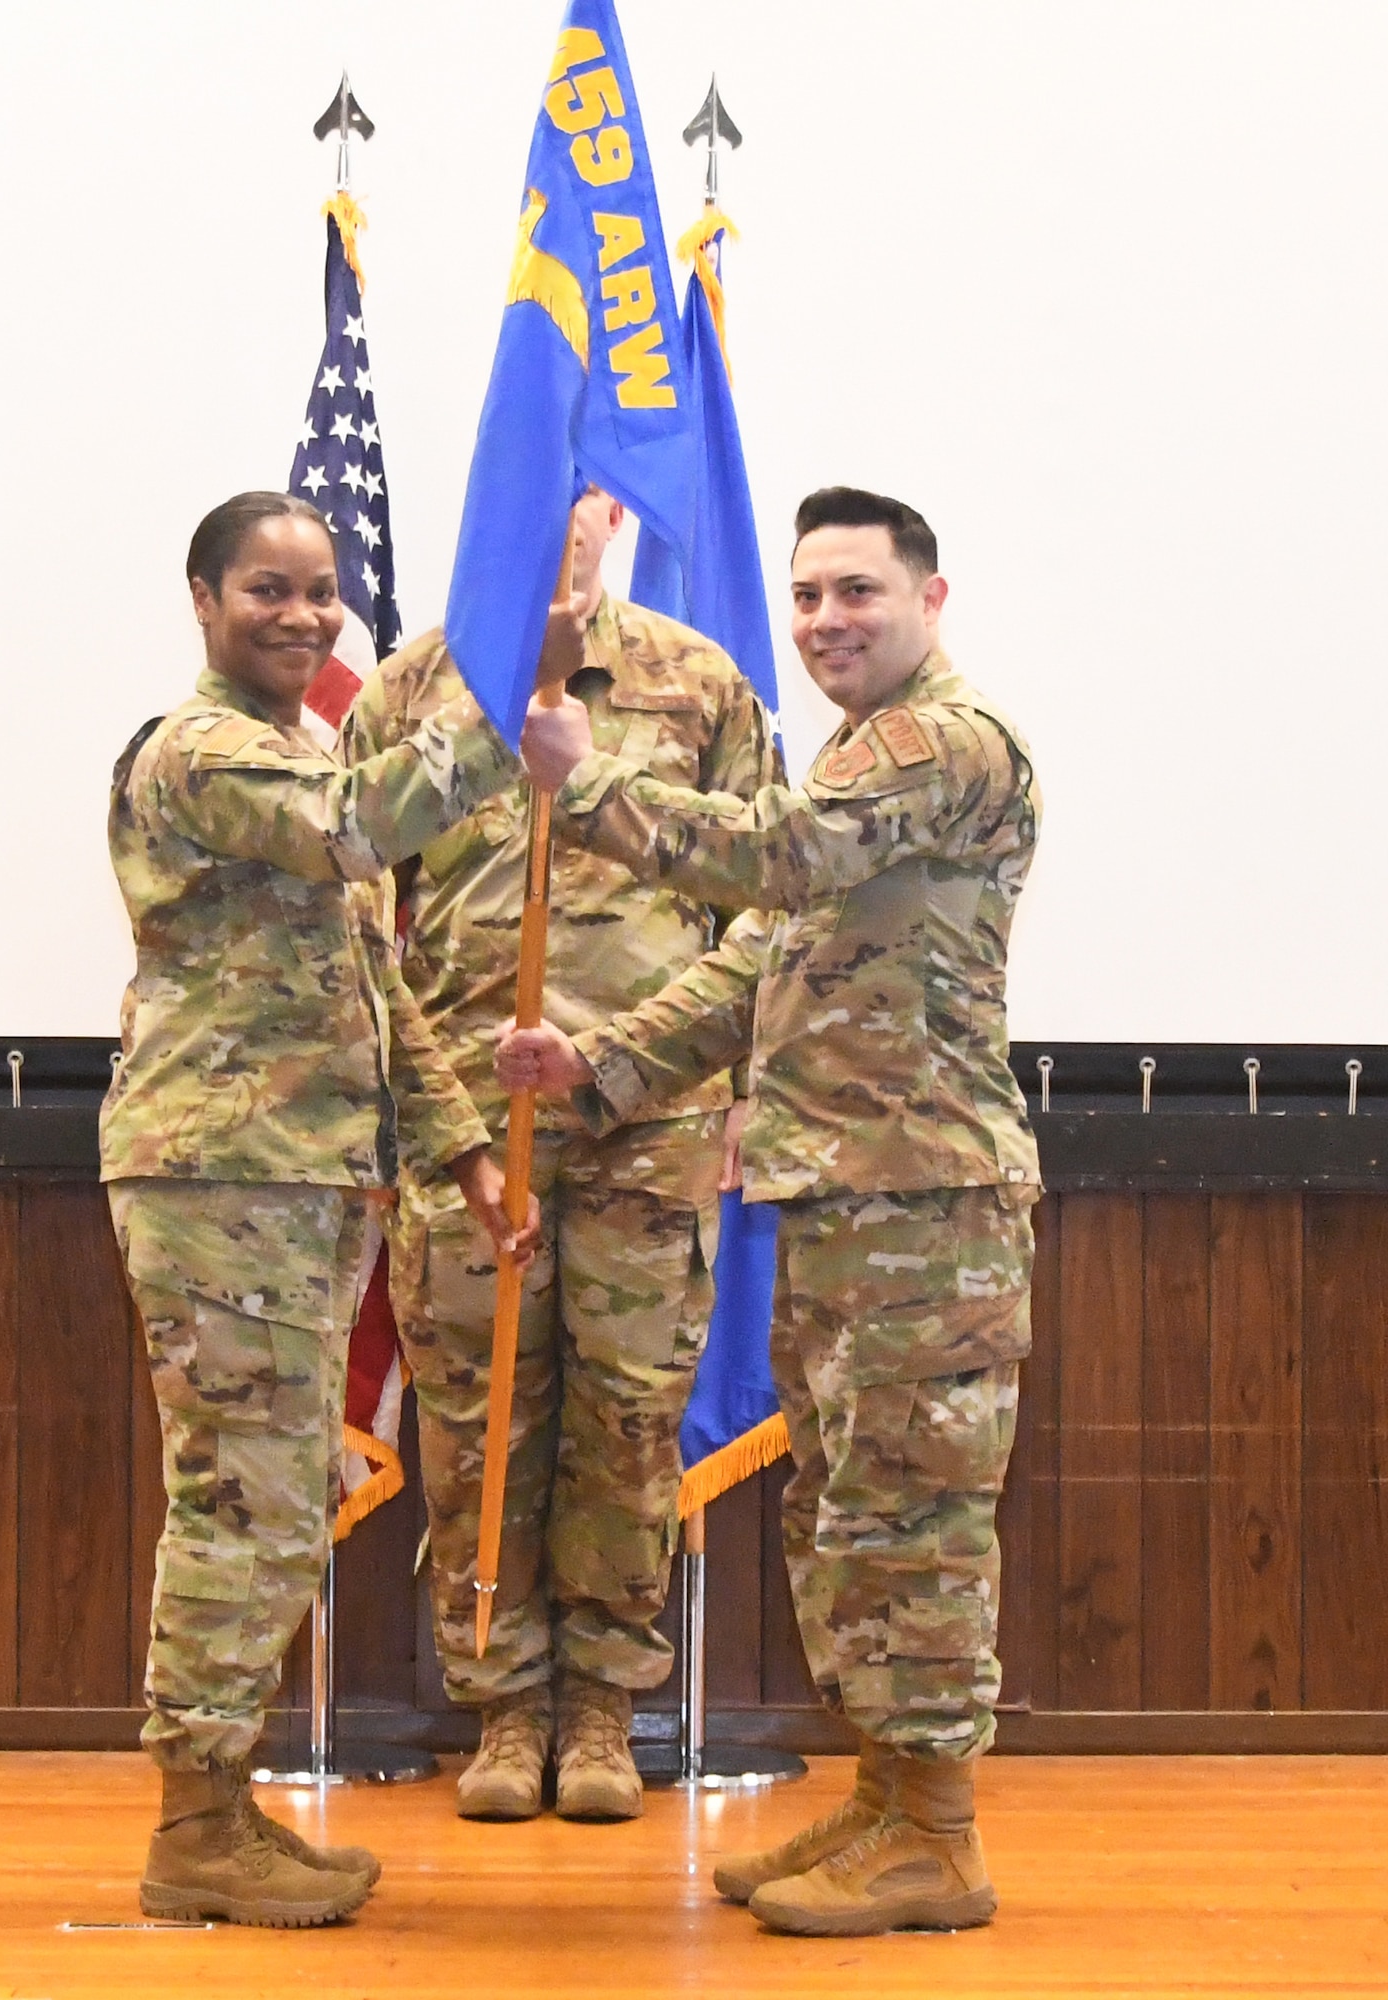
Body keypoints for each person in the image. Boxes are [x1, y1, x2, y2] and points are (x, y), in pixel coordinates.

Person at [501, 487, 1040, 1935]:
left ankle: (939, 1831)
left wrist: (588, 781)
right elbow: (758, 965)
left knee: (913, 1520)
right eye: (806, 596)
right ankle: (886, 1798)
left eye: (857, 592)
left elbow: (775, 857)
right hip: (843, 1200)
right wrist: (602, 1062)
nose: (823, 621)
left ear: (931, 599)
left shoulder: (945, 743)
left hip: (927, 1207)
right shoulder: (863, 755)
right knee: (849, 1514)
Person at [101, 490, 541, 1928]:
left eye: (321, 590)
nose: (302, 616)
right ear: (202, 599)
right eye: (266, 590)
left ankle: (221, 1805)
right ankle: (191, 1824)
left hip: (299, 1183)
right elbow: (364, 824)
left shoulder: (300, 742)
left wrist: (468, 1148)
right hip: (222, 1181)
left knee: (277, 1503)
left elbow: (382, 991)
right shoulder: (206, 752)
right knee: (242, 1500)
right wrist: (493, 708)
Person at [340, 486, 780, 1823]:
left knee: (629, 1425)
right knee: (481, 1431)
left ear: (612, 521)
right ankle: (503, 1707)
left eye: (582, 502)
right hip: (469, 1141)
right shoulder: (415, 688)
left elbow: (768, 907)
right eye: (536, 495)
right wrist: (444, 1122)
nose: (557, 527)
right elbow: (361, 926)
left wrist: (653, 1062)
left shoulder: (697, 685)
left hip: (650, 1127)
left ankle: (602, 1707)